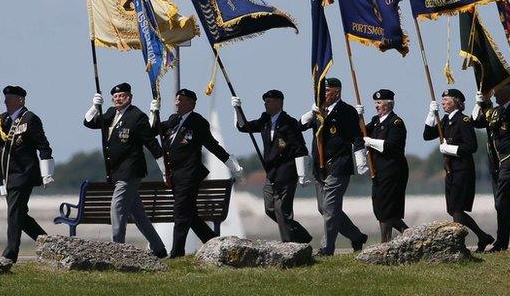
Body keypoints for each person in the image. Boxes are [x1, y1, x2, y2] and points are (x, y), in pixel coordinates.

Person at [151, 89, 244, 257]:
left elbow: (212, 145)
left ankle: (177, 253)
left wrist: (232, 164)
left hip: (189, 175)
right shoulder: (173, 120)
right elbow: (152, 131)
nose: (177, 103)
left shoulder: (197, 122)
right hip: (174, 175)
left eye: (181, 100)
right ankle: (212, 240)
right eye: (176, 99)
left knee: (180, 213)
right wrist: (154, 113)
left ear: (191, 103)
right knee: (189, 214)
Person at [83, 83, 167, 257]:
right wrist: (94, 106)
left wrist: (165, 171)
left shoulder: (137, 116)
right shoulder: (110, 113)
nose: (117, 99)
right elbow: (89, 123)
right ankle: (159, 248)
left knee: (117, 207)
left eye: (121, 96)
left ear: (129, 97)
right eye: (114, 97)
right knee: (138, 215)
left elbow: (152, 144)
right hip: (116, 171)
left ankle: (117, 249)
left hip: (130, 171)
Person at [299, 78, 369, 256]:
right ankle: (356, 236)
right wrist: (311, 113)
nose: (323, 95)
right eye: (322, 91)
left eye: (326, 91)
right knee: (324, 208)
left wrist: (360, 158)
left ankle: (327, 248)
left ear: (336, 92)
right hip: (319, 167)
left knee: (330, 208)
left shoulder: (347, 111)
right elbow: (299, 126)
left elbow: (356, 136)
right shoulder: (318, 111)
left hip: (338, 165)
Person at [232, 90, 312, 244]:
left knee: (282, 210)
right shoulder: (265, 120)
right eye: (265, 101)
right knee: (270, 208)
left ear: (278, 102)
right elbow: (244, 127)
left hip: (287, 172)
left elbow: (301, 149)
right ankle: (301, 236)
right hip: (271, 173)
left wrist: (303, 174)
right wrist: (237, 109)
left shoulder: (289, 123)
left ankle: (288, 245)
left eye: (268, 101)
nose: (265, 104)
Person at [0, 85, 54, 262]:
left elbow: (43, 146)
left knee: (14, 213)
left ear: (20, 100)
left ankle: (11, 253)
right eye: (5, 98)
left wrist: (47, 173)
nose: (6, 102)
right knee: (19, 215)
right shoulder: (2, 119)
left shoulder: (30, 119)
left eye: (10, 98)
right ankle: (49, 244)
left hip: (24, 174)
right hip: (8, 175)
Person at [424, 88, 494, 252]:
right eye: (442, 100)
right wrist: (430, 115)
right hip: (450, 171)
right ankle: (483, 236)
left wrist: (450, 149)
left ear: (457, 102)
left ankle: (459, 244)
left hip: (462, 170)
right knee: (452, 209)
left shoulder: (464, 121)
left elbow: (471, 147)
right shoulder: (445, 121)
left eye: (446, 99)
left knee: (456, 209)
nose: (443, 103)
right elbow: (427, 135)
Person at [471, 83, 510, 252]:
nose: (494, 94)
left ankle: (502, 242)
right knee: (503, 205)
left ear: (507, 93)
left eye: (497, 91)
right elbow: (476, 122)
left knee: (502, 204)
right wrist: (479, 103)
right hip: (495, 165)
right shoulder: (495, 111)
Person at [363, 89, 409, 243]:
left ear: (389, 104)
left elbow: (392, 146)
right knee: (380, 207)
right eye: (375, 103)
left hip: (393, 170)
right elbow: (360, 133)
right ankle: (411, 235)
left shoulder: (396, 122)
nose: (376, 106)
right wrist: (358, 117)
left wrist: (371, 142)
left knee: (386, 208)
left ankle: (385, 243)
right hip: (378, 171)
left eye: (380, 103)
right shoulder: (376, 121)